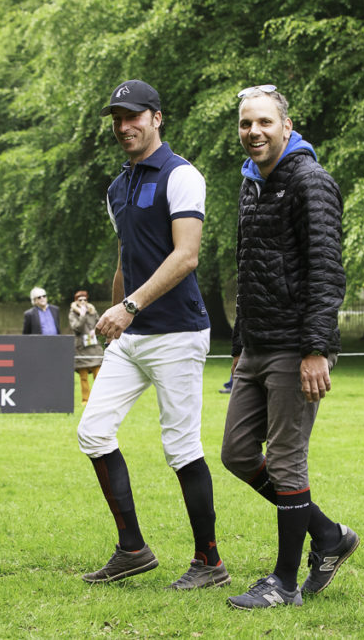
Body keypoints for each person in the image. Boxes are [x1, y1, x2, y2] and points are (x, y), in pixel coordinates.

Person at [77, 79, 228, 590]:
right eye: (117, 119)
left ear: (157, 117)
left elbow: (186, 256)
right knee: (93, 431)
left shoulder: (181, 175)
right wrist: (114, 312)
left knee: (181, 447)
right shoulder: (116, 187)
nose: (124, 127)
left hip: (178, 333)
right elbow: (127, 254)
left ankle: (209, 562)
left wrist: (130, 306)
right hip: (132, 335)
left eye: (133, 116)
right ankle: (132, 549)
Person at [220, 85, 358, 609]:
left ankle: (283, 582)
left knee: (285, 459)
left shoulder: (311, 181)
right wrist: (239, 342)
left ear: (286, 124)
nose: (252, 132)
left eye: (262, 122)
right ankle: (328, 535)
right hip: (256, 345)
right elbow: (246, 270)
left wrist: (316, 349)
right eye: (244, 124)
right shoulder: (251, 185)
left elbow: (327, 272)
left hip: (296, 346)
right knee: (236, 453)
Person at [68, 290, 103, 403]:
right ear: (76, 301)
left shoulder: (93, 311)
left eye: (85, 300)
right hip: (82, 349)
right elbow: (77, 327)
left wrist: (95, 331)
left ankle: (99, 399)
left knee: (98, 374)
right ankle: (85, 400)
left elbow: (100, 324)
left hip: (94, 348)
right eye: (80, 300)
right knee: (83, 377)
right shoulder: (73, 313)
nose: (83, 302)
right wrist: (82, 315)